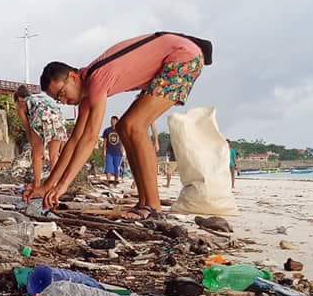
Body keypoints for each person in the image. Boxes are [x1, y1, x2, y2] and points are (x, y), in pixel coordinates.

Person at [28, 31, 211, 218]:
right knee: (124, 127)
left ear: (73, 77)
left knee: (134, 125)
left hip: (183, 56)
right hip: (176, 56)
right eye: (58, 100)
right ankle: (144, 202)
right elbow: (74, 141)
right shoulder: (87, 92)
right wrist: (47, 186)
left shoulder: (96, 79)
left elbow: (90, 138)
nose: (64, 101)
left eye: (61, 94)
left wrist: (63, 186)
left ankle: (153, 206)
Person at [13, 85, 67, 190]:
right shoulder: (40, 97)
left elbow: (27, 127)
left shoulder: (21, 104)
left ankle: (37, 184)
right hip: (57, 118)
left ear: (19, 98)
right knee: (54, 155)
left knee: (37, 155)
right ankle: (54, 184)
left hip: (41, 117)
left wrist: (32, 143)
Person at [102, 115, 124, 185]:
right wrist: (103, 151)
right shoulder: (107, 130)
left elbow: (122, 141)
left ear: (117, 121)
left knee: (116, 168)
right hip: (109, 152)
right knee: (108, 166)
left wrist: (122, 150)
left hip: (118, 153)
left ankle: (116, 181)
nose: (112, 122)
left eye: (114, 121)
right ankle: (108, 181)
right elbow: (105, 142)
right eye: (111, 121)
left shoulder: (120, 130)